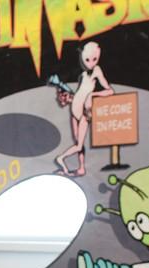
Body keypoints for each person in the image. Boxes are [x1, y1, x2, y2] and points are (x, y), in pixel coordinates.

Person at [54, 41, 113, 176]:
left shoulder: (97, 71)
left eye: (94, 59)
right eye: (87, 59)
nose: (91, 63)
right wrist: (69, 98)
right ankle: (81, 168)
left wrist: (92, 95)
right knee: (78, 142)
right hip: (75, 108)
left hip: (85, 111)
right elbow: (81, 92)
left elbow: (110, 91)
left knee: (79, 145)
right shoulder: (84, 74)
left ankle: (61, 158)